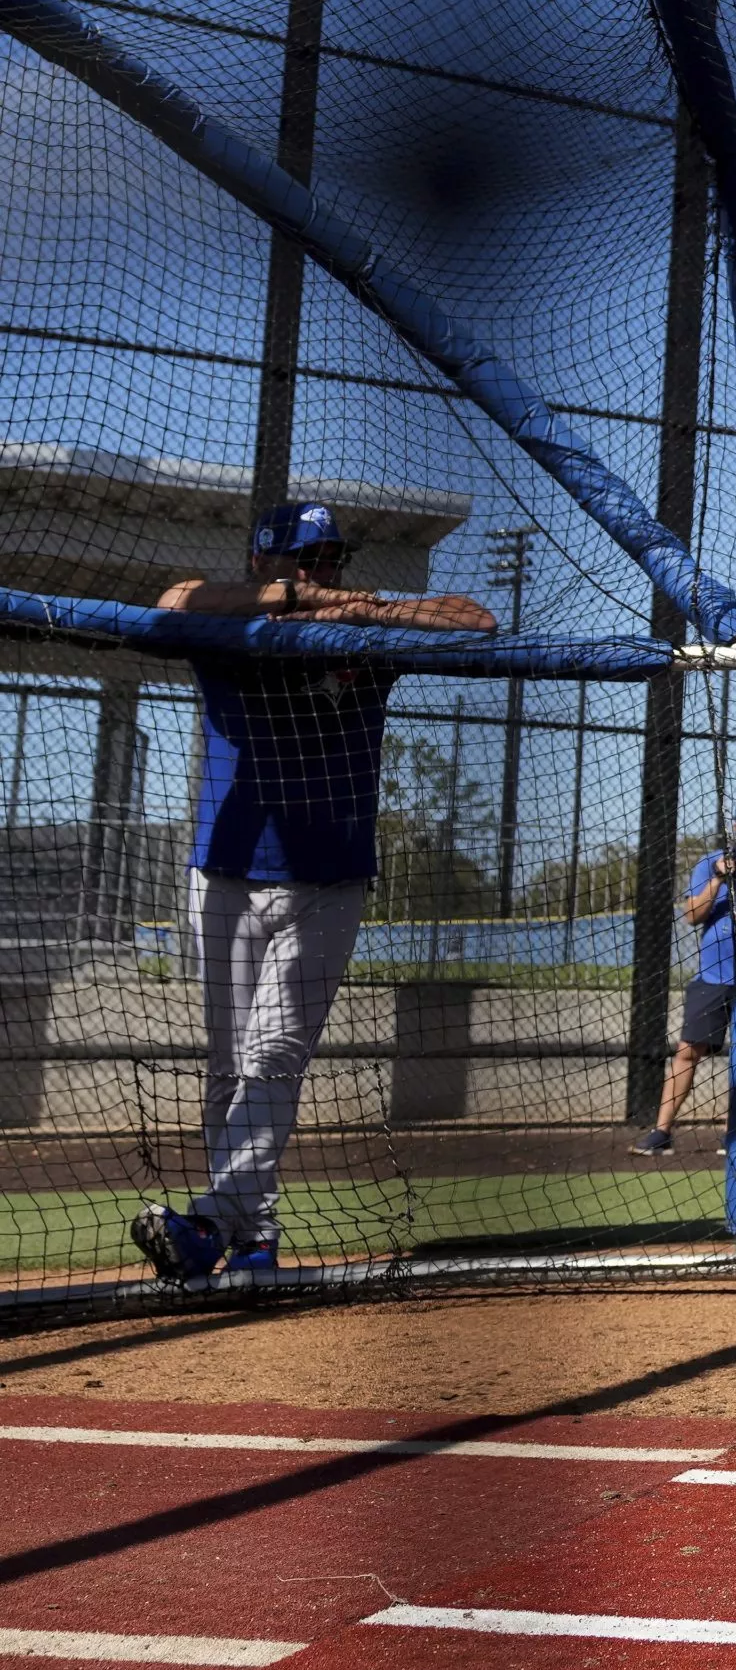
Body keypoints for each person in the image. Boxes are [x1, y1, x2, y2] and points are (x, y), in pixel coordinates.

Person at [131, 501, 497, 1280]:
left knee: (272, 1058)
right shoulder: (231, 625)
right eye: (307, 558)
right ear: (265, 560)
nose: (323, 569)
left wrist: (360, 607)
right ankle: (252, 1236)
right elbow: (172, 600)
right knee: (228, 1068)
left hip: (329, 882)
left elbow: (478, 619)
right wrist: (297, 601)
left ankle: (209, 1228)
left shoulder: (365, 630)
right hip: (226, 874)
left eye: (331, 557)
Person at [632, 838, 736, 1154]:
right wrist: (721, 878)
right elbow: (692, 915)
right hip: (712, 977)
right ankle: (661, 1132)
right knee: (686, 1053)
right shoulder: (711, 862)